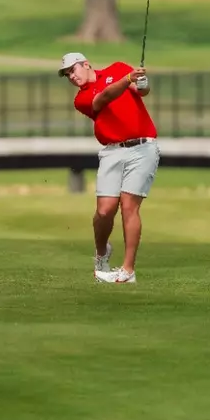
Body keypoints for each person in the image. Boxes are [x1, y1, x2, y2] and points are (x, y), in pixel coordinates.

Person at [59, 51, 157, 284]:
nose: (72, 77)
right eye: (67, 75)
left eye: (73, 70)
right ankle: (102, 252)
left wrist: (142, 83)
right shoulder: (81, 99)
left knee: (129, 207)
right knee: (104, 211)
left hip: (143, 148)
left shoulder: (118, 68)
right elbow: (103, 99)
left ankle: (128, 270)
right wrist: (128, 79)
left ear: (86, 64)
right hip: (112, 151)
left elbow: (141, 92)